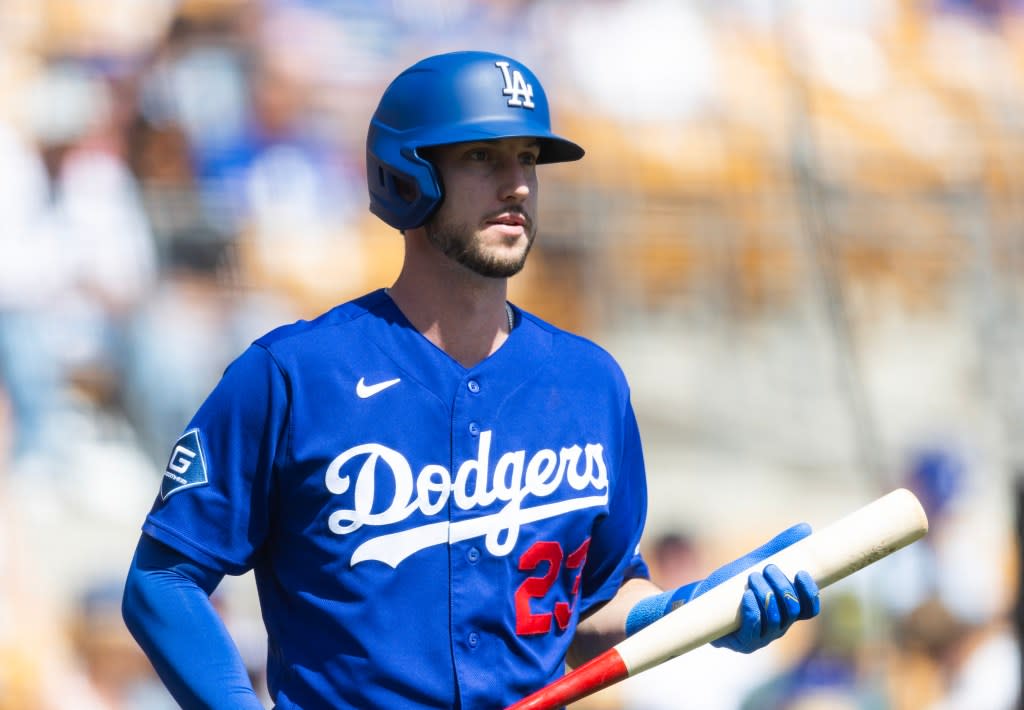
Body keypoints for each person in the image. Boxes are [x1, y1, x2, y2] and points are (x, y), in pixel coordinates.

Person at [121, 50, 821, 709]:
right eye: (482, 157)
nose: (516, 183)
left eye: (527, 159)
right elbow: (163, 579)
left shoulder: (589, 383)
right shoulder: (293, 376)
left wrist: (690, 612)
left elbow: (589, 606)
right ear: (408, 175)